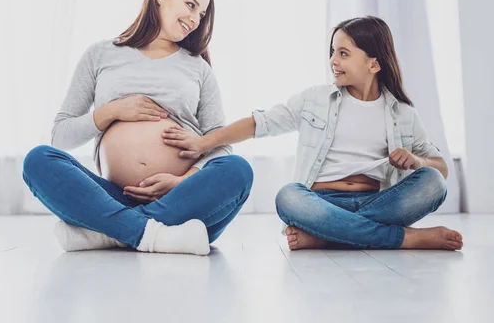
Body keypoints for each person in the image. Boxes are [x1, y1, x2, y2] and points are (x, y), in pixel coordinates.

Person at [162, 16, 463, 251]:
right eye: (333, 52)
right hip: (320, 203)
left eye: (344, 53)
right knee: (288, 197)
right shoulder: (316, 100)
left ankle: (330, 237)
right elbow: (260, 123)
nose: (333, 61)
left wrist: (418, 162)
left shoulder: (403, 114)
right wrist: (204, 142)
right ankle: (403, 239)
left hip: (377, 203)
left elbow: (440, 167)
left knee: (433, 183)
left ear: (374, 63)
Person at [22, 0, 253, 256]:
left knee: (238, 171)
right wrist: (112, 111)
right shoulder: (100, 54)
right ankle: (151, 234)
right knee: (38, 160)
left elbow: (220, 144)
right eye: (191, 5)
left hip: (182, 200)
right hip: (114, 198)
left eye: (202, 14)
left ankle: (110, 232)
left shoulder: (198, 68)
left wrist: (184, 180)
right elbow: (61, 137)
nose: (195, 19)